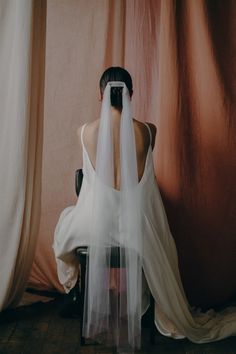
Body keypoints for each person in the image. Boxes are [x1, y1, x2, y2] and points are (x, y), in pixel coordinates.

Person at [53, 67, 236, 350]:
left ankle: (74, 292)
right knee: (164, 244)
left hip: (93, 226)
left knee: (65, 222)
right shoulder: (148, 131)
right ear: (131, 94)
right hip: (136, 228)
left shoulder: (85, 132)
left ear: (101, 95)